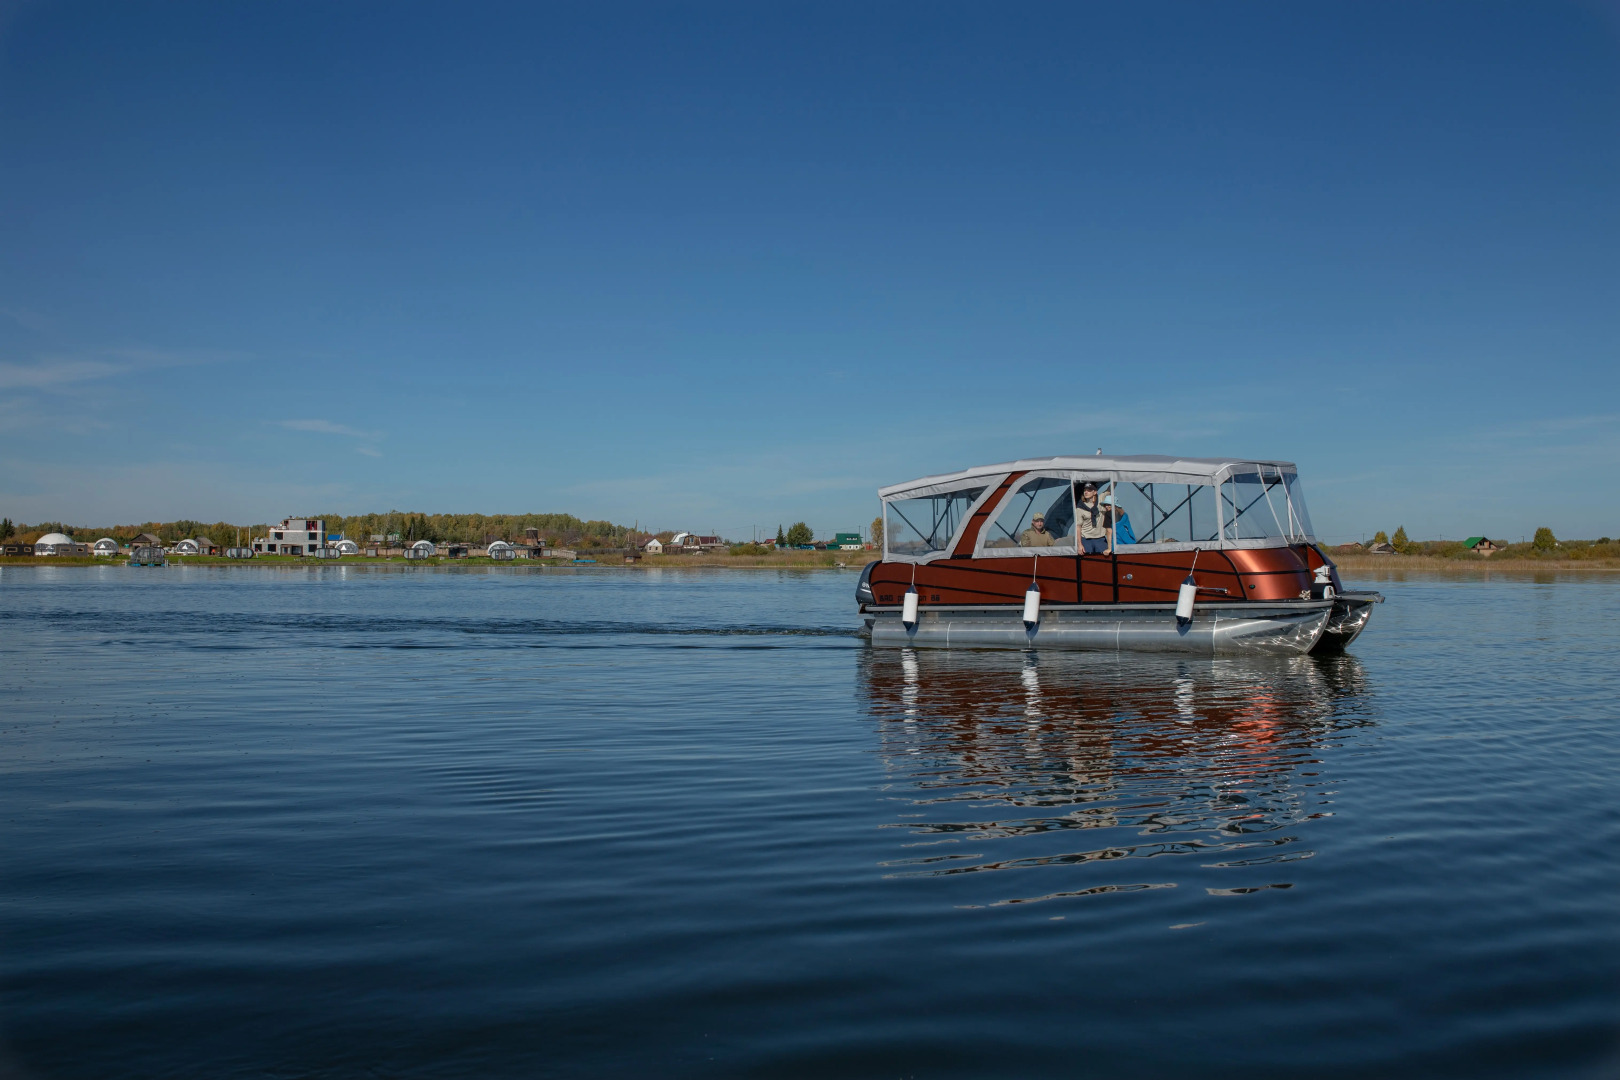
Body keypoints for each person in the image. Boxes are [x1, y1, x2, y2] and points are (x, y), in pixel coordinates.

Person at [1076, 482, 1111, 554]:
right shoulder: (1080, 508)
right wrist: (1079, 545)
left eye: (1089, 490)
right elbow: (1078, 527)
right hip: (1086, 539)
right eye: (1085, 490)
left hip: (1100, 539)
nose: (1086, 492)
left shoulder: (1101, 499)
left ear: (1095, 492)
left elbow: (1110, 489)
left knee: (1105, 562)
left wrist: (1115, 477)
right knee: (1087, 563)